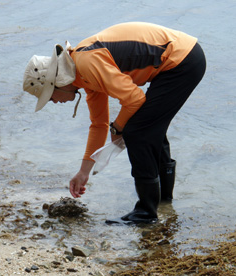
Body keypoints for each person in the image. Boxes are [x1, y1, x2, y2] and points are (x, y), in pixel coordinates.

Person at [23, 22, 206, 224]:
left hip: (182, 60)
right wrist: (83, 172)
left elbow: (135, 99)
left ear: (55, 82)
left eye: (49, 97)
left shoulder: (86, 63)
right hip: (181, 58)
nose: (54, 102)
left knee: (137, 133)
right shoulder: (82, 75)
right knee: (149, 129)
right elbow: (99, 124)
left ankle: (146, 212)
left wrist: (118, 128)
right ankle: (163, 201)